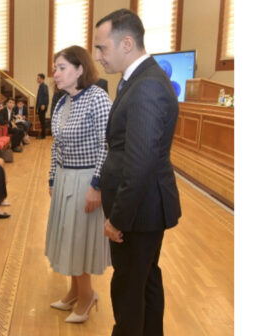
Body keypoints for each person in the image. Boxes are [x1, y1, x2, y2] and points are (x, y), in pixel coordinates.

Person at [94, 9, 181, 335]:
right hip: (141, 208)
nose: (98, 56)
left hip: (138, 211)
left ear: (126, 43)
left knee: (130, 287)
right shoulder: (137, 80)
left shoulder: (146, 86)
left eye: (102, 48)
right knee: (144, 281)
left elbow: (140, 163)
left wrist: (118, 218)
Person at [45, 45, 112, 324]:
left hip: (86, 178)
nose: (56, 74)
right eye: (55, 68)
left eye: (61, 68)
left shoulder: (98, 98)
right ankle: (74, 291)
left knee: (79, 239)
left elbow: (106, 147)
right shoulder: (62, 101)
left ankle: (87, 296)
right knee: (66, 236)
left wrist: (96, 185)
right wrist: (52, 177)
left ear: (80, 69)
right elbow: (55, 145)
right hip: (64, 177)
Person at [36, 73, 50, 139]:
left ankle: (43, 135)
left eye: (38, 78)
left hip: (42, 106)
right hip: (40, 106)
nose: (37, 79)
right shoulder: (41, 86)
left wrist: (44, 104)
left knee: (42, 121)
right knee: (41, 121)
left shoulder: (44, 86)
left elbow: (46, 96)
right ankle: (42, 134)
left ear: (41, 79)